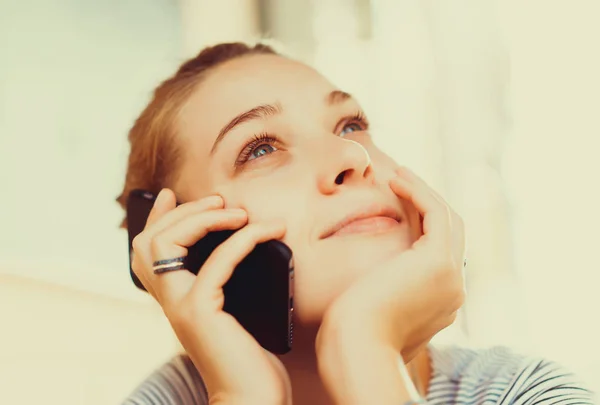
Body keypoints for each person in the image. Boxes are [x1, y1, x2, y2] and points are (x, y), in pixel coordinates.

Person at [116, 42, 595, 405]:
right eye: (261, 148)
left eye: (350, 125)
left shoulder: (526, 391)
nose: (352, 154)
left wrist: (363, 347)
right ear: (184, 241)